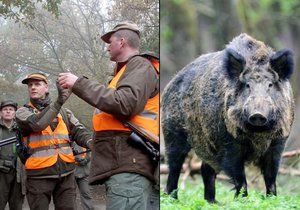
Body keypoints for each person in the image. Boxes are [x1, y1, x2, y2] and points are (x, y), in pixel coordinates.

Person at [58, 21, 159, 210]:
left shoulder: (139, 66)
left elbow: (125, 103)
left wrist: (78, 83)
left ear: (121, 42)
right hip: (124, 165)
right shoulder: (124, 73)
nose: (107, 47)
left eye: (109, 41)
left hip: (129, 166)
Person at [15, 72, 93, 210]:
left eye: (37, 84)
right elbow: (37, 124)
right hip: (38, 176)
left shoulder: (64, 112)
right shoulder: (22, 112)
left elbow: (79, 131)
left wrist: (90, 141)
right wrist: (59, 102)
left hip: (67, 174)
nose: (33, 87)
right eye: (30, 85)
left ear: (46, 87)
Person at [0, 100, 25, 210]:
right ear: (1, 113)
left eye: (11, 109)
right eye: (5, 109)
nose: (8, 112)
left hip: (18, 173)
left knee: (16, 205)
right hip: (1, 173)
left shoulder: (22, 129)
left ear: (15, 112)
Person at [73, 142, 94, 210]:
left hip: (84, 172)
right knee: (70, 196)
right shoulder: (67, 136)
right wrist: (76, 158)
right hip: (71, 172)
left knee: (86, 194)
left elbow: (91, 151)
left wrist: (86, 159)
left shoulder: (84, 138)